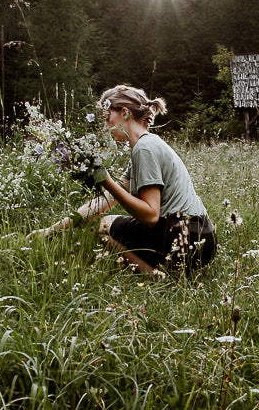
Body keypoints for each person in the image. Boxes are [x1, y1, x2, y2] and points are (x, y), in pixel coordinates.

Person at [31, 85, 217, 275]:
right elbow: (104, 202)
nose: (105, 127)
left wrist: (108, 182)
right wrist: (53, 230)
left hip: (185, 236)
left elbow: (151, 215)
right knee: (105, 220)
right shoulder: (148, 144)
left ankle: (155, 276)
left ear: (125, 113)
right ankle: (165, 270)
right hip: (202, 237)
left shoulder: (144, 149)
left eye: (108, 118)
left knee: (103, 227)